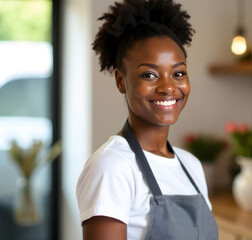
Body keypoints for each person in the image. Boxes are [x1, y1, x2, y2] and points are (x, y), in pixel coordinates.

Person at [76, 0, 218, 239]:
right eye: (149, 74)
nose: (168, 87)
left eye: (178, 73)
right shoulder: (112, 166)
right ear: (121, 81)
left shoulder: (191, 166)